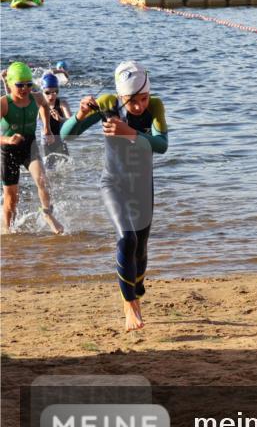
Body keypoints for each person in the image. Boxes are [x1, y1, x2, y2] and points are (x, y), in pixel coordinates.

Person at [60, 61, 168, 333]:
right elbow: (66, 135)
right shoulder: (108, 104)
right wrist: (81, 114)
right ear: (120, 97)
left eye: (143, 99)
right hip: (113, 184)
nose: (139, 106)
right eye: (132, 101)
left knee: (141, 251)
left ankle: (135, 293)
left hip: (143, 187)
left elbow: (162, 146)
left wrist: (130, 133)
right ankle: (129, 304)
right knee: (126, 238)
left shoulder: (155, 106)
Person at [1, 62, 63, 234]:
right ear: (10, 84)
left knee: (42, 180)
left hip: (29, 144)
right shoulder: (4, 103)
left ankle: (47, 214)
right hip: (8, 151)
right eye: (20, 85)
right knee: (11, 199)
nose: (25, 89)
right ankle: (8, 232)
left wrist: (47, 128)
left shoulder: (36, 97)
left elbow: (44, 106)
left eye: (28, 84)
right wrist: (7, 139)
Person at [39, 72, 71, 165]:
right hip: (46, 142)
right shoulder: (39, 105)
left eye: (55, 92)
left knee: (67, 167)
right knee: (48, 169)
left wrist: (60, 119)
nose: (51, 96)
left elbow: (71, 121)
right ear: (42, 91)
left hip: (60, 140)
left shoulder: (62, 103)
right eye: (47, 92)